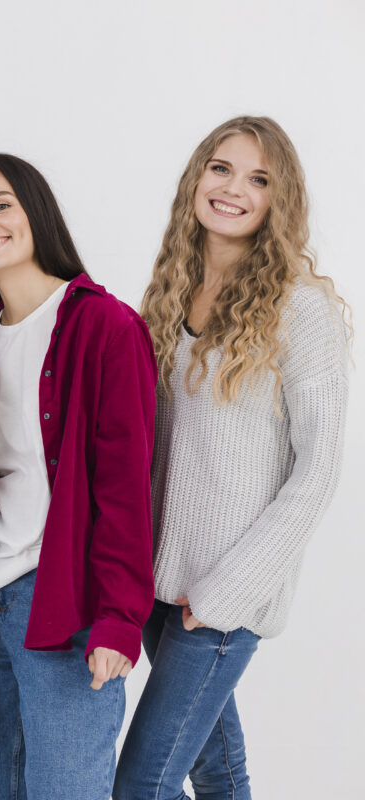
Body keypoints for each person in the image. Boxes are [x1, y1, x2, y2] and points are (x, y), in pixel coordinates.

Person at [113, 116, 350, 800]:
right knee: (217, 775)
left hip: (218, 600)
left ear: (281, 200)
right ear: (197, 178)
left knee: (141, 786)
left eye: (259, 178)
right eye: (221, 168)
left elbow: (319, 471)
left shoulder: (302, 310)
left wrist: (222, 596)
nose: (234, 188)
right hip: (158, 586)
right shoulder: (166, 296)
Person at [0, 154, 156, 799]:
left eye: (0, 205)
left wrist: (120, 618)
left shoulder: (105, 326)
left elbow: (126, 487)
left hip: (64, 604)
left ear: (37, 210)